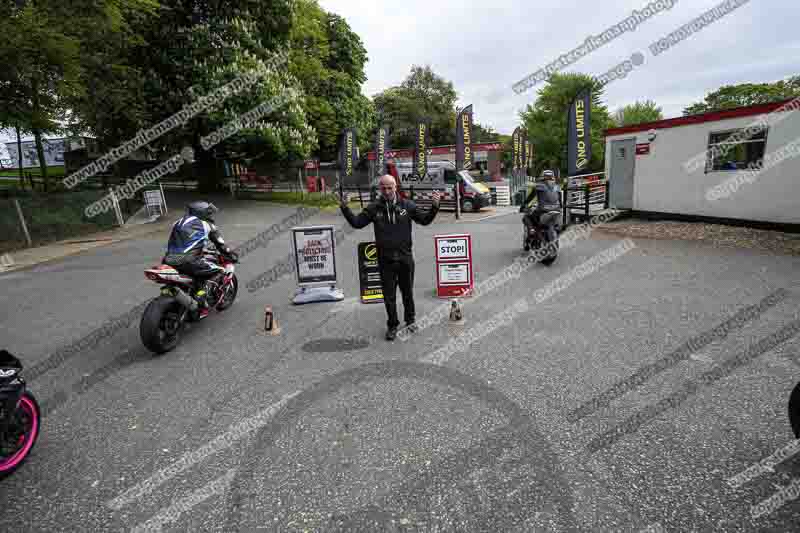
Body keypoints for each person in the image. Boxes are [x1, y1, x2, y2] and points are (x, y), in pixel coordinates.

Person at [339, 175, 441, 340]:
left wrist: (435, 206)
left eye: (389, 187)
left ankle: (410, 320)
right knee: (389, 296)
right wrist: (344, 207)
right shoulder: (374, 208)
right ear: (380, 188)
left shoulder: (407, 205)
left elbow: (425, 220)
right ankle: (392, 325)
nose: (386, 191)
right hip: (385, 260)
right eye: (383, 188)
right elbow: (357, 223)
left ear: (395, 187)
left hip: (405, 259)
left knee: (407, 292)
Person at [163, 201, 238, 319]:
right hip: (189, 261)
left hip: (168, 259)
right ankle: (201, 300)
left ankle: (185, 295)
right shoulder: (207, 225)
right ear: (202, 213)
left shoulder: (178, 222)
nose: (210, 216)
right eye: (208, 213)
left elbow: (184, 241)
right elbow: (221, 245)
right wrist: (232, 255)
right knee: (219, 271)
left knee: (195, 272)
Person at [519, 169, 562, 243]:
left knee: (526, 217)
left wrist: (523, 205)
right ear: (552, 177)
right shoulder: (557, 187)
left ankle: (532, 230)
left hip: (543, 210)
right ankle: (556, 230)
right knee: (556, 224)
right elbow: (560, 200)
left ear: (543, 177)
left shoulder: (539, 186)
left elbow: (530, 197)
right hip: (557, 210)